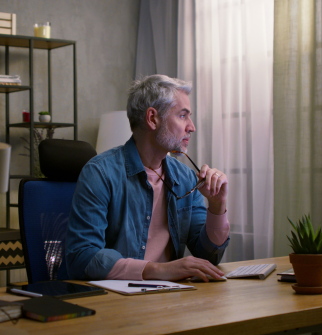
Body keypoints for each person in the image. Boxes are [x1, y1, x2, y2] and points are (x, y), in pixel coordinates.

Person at [65, 74, 230, 282]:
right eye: (182, 116)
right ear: (152, 118)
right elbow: (82, 256)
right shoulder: (100, 173)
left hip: (170, 298)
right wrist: (159, 271)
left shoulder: (186, 177)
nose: (192, 126)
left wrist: (217, 205)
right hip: (117, 302)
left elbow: (209, 257)